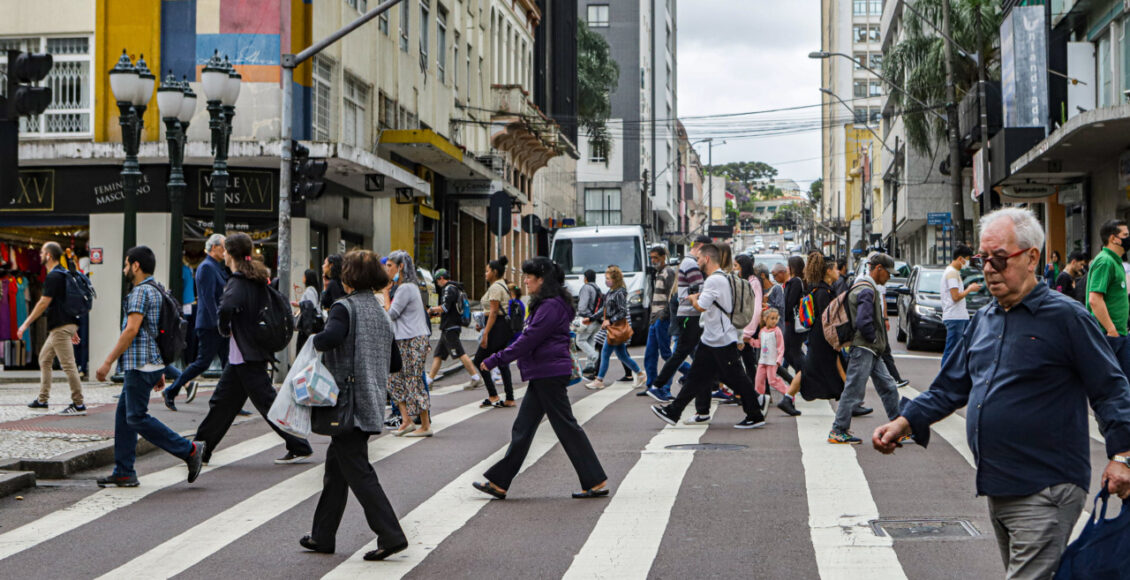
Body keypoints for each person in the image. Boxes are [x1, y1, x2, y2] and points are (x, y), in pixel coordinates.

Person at [873, 207, 1130, 579]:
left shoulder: (1067, 317)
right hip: (999, 487)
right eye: (983, 259)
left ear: (1031, 258)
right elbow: (949, 387)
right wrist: (905, 420)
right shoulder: (985, 319)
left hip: (1047, 487)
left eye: (999, 259)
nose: (989, 268)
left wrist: (1122, 455)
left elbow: (1110, 388)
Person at [300, 250, 409, 562]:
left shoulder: (343, 307)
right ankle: (322, 535)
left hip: (345, 403)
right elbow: (394, 362)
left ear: (347, 277)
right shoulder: (379, 312)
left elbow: (330, 338)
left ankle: (391, 534)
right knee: (337, 470)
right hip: (370, 399)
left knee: (359, 472)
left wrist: (312, 336)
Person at [473, 257, 610, 500]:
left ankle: (596, 480)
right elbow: (528, 336)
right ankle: (499, 482)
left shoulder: (551, 306)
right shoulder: (548, 303)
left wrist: (496, 359)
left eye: (529, 277)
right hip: (544, 372)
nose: (525, 281)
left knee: (565, 427)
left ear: (542, 280)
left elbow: (529, 339)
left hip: (549, 373)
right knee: (523, 429)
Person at [193, 233, 314, 464]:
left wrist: (223, 327)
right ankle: (201, 448)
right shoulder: (256, 277)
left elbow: (227, 306)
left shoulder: (238, 280)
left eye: (226, 250)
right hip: (246, 354)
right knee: (222, 404)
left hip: (246, 356)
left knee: (265, 403)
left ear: (229, 253)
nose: (225, 254)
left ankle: (299, 445)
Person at [94, 246, 204, 487]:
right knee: (125, 416)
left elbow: (131, 330)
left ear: (135, 266)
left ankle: (190, 450)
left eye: (126, 264)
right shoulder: (157, 289)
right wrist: (159, 368)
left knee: (135, 417)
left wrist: (107, 362)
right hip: (149, 362)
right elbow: (155, 332)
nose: (124, 269)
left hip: (140, 363)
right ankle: (124, 471)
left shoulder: (140, 292)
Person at [651, 242, 767, 429]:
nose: (696, 262)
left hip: (721, 339)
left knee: (736, 378)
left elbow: (701, 306)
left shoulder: (714, 280)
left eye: (698, 259)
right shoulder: (723, 278)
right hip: (711, 338)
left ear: (707, 259)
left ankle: (755, 412)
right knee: (696, 377)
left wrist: (693, 298)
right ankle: (674, 411)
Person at [828, 252, 903, 445]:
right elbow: (863, 321)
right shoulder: (867, 289)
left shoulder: (864, 286)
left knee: (888, 386)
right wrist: (873, 337)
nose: (889, 277)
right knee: (854, 389)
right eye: (888, 273)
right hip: (865, 347)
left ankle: (898, 427)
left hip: (869, 348)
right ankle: (838, 430)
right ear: (878, 269)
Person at [162, 234, 227, 411]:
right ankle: (172, 390)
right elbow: (207, 299)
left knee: (228, 364)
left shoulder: (215, 267)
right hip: (210, 325)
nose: (225, 251)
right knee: (203, 362)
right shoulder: (207, 267)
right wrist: (218, 323)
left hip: (216, 324)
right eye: (223, 247)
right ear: (213, 248)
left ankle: (229, 402)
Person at [645, 235, 712, 403]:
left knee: (692, 355)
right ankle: (660, 386)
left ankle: (702, 393)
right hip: (688, 315)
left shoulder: (682, 265)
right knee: (679, 353)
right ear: (701, 247)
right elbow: (691, 293)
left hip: (681, 315)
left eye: (655, 257)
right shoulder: (691, 263)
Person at [22, 242, 85, 416]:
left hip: (60, 327)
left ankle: (78, 404)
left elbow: (44, 302)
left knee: (68, 365)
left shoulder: (54, 277)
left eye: (42, 252)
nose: (40, 255)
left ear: (48, 255)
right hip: (63, 325)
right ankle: (42, 399)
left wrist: (26, 323)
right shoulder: (63, 274)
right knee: (44, 358)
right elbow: (67, 303)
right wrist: (73, 329)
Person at [383, 250, 433, 437]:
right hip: (403, 339)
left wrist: (385, 293)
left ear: (400, 267)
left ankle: (425, 424)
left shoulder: (406, 288)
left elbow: (391, 314)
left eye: (389, 266)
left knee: (413, 380)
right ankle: (407, 420)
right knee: (394, 379)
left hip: (413, 339)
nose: (386, 269)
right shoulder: (406, 287)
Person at [791, 254, 844, 412]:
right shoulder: (823, 292)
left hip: (820, 337)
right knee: (812, 369)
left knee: (816, 368)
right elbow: (825, 319)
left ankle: (851, 400)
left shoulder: (823, 289)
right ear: (828, 271)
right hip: (822, 338)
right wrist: (834, 339)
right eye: (835, 268)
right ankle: (851, 401)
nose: (838, 272)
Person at [586, 265, 645, 390]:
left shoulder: (620, 292)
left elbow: (623, 312)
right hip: (613, 329)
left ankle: (599, 380)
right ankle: (640, 374)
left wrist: (609, 320)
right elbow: (604, 308)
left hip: (615, 328)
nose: (606, 281)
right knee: (622, 355)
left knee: (606, 353)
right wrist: (592, 318)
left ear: (615, 279)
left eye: (608, 278)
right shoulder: (611, 291)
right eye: (606, 278)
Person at [427, 269, 485, 388]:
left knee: (460, 353)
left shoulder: (449, 289)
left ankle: (476, 378)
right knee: (438, 355)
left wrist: (432, 310)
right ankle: (429, 381)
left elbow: (444, 307)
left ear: (442, 278)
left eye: (437, 280)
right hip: (449, 326)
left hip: (450, 327)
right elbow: (451, 309)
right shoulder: (455, 288)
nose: (437, 283)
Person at [1087, 219, 1130, 379]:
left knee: (1123, 385)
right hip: (1109, 335)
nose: (1128, 238)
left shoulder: (1115, 262)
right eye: (1125, 235)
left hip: (1119, 333)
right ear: (1113, 239)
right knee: (1110, 385)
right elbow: (1095, 299)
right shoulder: (1105, 261)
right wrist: (1111, 330)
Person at [472, 256, 516, 407]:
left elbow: (494, 312)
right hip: (500, 326)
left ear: (495, 272)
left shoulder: (496, 287)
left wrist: (485, 333)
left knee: (479, 360)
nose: (485, 274)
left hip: (497, 327)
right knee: (502, 361)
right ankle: (509, 397)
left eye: (487, 271)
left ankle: (493, 395)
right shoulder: (502, 285)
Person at [642, 245, 677, 395]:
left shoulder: (668, 272)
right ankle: (651, 385)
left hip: (662, 319)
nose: (653, 260)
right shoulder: (658, 273)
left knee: (666, 355)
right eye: (651, 258)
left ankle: (666, 387)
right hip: (654, 319)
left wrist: (664, 315)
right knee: (650, 354)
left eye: (656, 257)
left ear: (663, 257)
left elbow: (673, 295)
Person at [940, 245, 981, 369]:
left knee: (957, 350)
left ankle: (951, 375)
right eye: (967, 259)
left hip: (958, 316)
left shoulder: (954, 272)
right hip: (954, 317)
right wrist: (970, 289)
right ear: (960, 259)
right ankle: (944, 377)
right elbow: (955, 296)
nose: (967, 262)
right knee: (952, 350)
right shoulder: (951, 273)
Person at [750, 308, 790, 400]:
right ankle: (760, 397)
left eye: (776, 318)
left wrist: (779, 359)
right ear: (765, 318)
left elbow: (781, 347)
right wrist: (751, 341)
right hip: (762, 360)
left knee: (772, 381)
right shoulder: (762, 331)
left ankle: (788, 392)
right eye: (772, 318)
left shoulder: (777, 331)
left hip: (772, 361)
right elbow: (760, 343)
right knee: (758, 380)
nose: (774, 321)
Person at [575, 269, 603, 377]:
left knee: (580, 340)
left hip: (588, 319)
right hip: (597, 320)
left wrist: (580, 316)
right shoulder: (597, 288)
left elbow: (582, 306)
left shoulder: (586, 288)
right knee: (590, 340)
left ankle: (595, 357)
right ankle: (590, 365)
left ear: (585, 278)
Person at [781, 256, 806, 374]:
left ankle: (803, 372)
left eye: (788, 265)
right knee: (790, 351)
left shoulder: (795, 281)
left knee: (792, 351)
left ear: (792, 268)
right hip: (791, 322)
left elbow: (789, 302)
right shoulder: (794, 281)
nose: (786, 268)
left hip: (793, 322)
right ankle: (802, 373)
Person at [294, 268, 323, 352]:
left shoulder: (309, 290)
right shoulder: (314, 290)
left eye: (304, 276)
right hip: (310, 325)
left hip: (308, 325)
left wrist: (299, 304)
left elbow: (310, 305)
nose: (302, 278)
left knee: (302, 348)